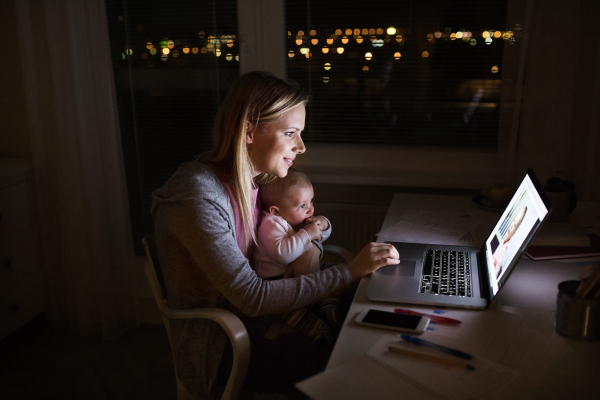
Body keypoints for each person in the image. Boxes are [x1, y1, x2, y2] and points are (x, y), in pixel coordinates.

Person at [150, 71, 400, 398]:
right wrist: (348, 270)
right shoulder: (199, 199)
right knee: (340, 358)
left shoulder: (259, 183)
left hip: (261, 309)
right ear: (248, 130)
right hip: (222, 341)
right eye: (291, 133)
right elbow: (251, 297)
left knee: (366, 303)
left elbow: (300, 233)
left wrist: (320, 249)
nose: (301, 146)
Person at [254, 168, 331, 279]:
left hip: (298, 273)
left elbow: (320, 236)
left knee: (331, 268)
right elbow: (282, 255)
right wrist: (307, 234)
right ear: (276, 212)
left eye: (311, 201)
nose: (311, 209)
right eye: (303, 206)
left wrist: (322, 223)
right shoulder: (270, 225)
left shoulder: (294, 217)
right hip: (277, 280)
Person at [492, 206, 527, 278]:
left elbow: (497, 268)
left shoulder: (505, 247)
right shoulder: (503, 241)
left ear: (515, 233)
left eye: (514, 226)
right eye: (513, 221)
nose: (511, 226)